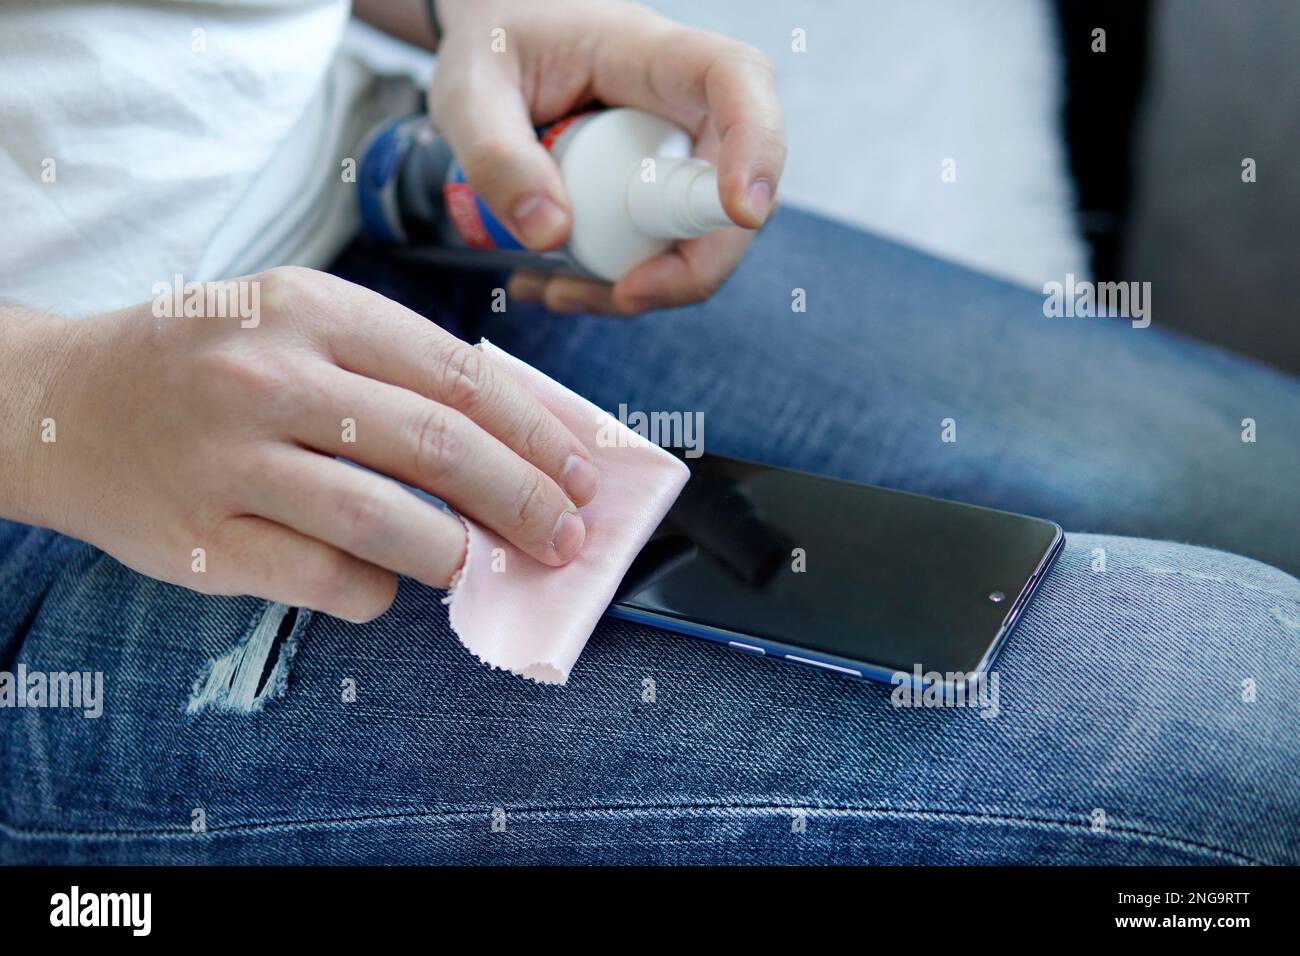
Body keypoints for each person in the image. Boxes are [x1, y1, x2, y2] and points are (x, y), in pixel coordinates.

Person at [0, 0, 1296, 865]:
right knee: (1254, 711)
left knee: (1266, 483)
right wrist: (58, 398)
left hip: (386, 203)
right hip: (67, 462)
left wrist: (468, 18)